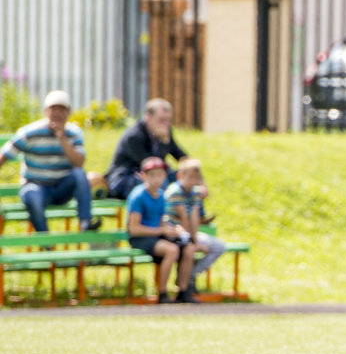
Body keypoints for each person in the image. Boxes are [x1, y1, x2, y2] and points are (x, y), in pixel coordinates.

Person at [0, 90, 101, 233]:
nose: (58, 113)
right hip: (36, 186)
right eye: (54, 108)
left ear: (68, 112)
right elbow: (4, 155)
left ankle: (85, 222)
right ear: (46, 111)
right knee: (32, 195)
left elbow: (79, 163)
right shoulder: (30, 133)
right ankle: (47, 242)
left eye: (62, 109)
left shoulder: (74, 133)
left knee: (79, 174)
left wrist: (62, 138)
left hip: (61, 188)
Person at [126, 156, 199, 304]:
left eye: (160, 175)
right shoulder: (138, 196)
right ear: (143, 176)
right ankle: (162, 293)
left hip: (156, 236)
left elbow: (161, 223)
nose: (156, 179)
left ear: (165, 176)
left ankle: (183, 291)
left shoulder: (161, 196)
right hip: (140, 238)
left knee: (189, 248)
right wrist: (161, 231)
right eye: (152, 175)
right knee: (171, 250)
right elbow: (134, 229)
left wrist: (174, 230)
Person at [104, 98, 191, 200]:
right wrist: (163, 143)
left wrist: (193, 173)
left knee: (186, 179)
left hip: (152, 175)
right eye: (161, 120)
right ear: (148, 117)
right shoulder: (134, 136)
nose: (166, 124)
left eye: (168, 121)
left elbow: (180, 155)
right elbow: (151, 165)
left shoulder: (165, 131)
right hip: (124, 178)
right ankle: (166, 214)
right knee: (160, 182)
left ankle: (194, 214)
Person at [164, 157, 226, 300]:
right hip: (174, 232)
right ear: (180, 175)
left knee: (218, 247)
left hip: (188, 233)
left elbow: (194, 217)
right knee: (190, 249)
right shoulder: (175, 191)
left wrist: (195, 239)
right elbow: (184, 219)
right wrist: (194, 242)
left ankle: (190, 276)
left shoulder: (195, 192)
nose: (192, 181)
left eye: (196, 178)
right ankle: (184, 289)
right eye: (190, 177)